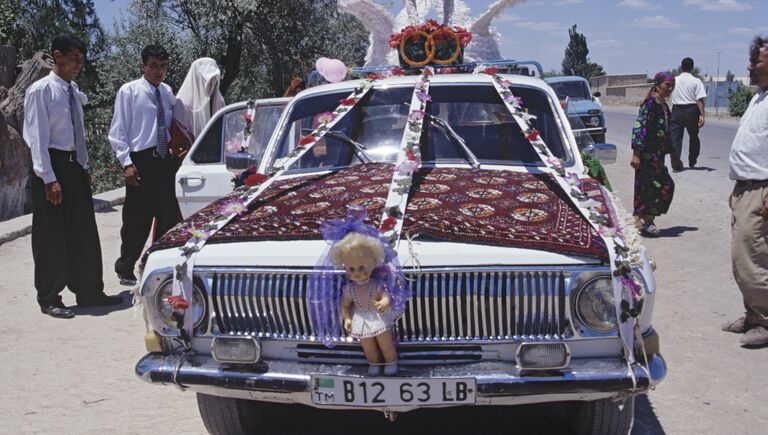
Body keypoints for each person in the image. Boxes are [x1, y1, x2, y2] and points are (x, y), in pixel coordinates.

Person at [23, 33, 122, 318]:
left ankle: (89, 291)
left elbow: (76, 131)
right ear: (58, 55)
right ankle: (50, 296)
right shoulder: (41, 91)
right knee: (51, 233)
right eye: (74, 58)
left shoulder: (72, 89)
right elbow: (37, 137)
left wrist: (83, 166)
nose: (79, 63)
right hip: (51, 165)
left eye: (82, 58)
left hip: (73, 165)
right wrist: (48, 177)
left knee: (83, 230)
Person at [109, 44, 177, 286]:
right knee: (137, 219)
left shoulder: (167, 92)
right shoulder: (129, 92)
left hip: (164, 161)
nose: (158, 71)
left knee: (168, 215)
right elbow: (118, 132)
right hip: (141, 160)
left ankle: (152, 262)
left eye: (163, 66)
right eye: (153, 66)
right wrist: (126, 163)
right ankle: (125, 266)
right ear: (143, 66)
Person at [721, 36, 768, 347]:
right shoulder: (759, 98)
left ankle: (764, 321)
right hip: (745, 188)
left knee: (752, 257)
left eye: (756, 62)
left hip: (761, 189)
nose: (749, 67)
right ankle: (753, 315)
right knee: (744, 258)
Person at [630, 71, 676, 237]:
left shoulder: (663, 105)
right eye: (667, 85)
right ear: (657, 85)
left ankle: (642, 219)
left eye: (672, 86)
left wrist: (673, 157)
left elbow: (667, 132)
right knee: (658, 187)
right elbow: (639, 127)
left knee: (652, 188)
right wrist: (636, 153)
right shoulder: (650, 103)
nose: (670, 88)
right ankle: (645, 220)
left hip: (658, 156)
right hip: (647, 155)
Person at [669, 57, 706, 171]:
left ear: (681, 66)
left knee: (675, 138)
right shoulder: (696, 81)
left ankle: (675, 165)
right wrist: (702, 115)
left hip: (677, 110)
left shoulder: (674, 80)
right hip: (691, 111)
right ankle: (692, 159)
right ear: (692, 68)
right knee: (694, 137)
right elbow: (699, 99)